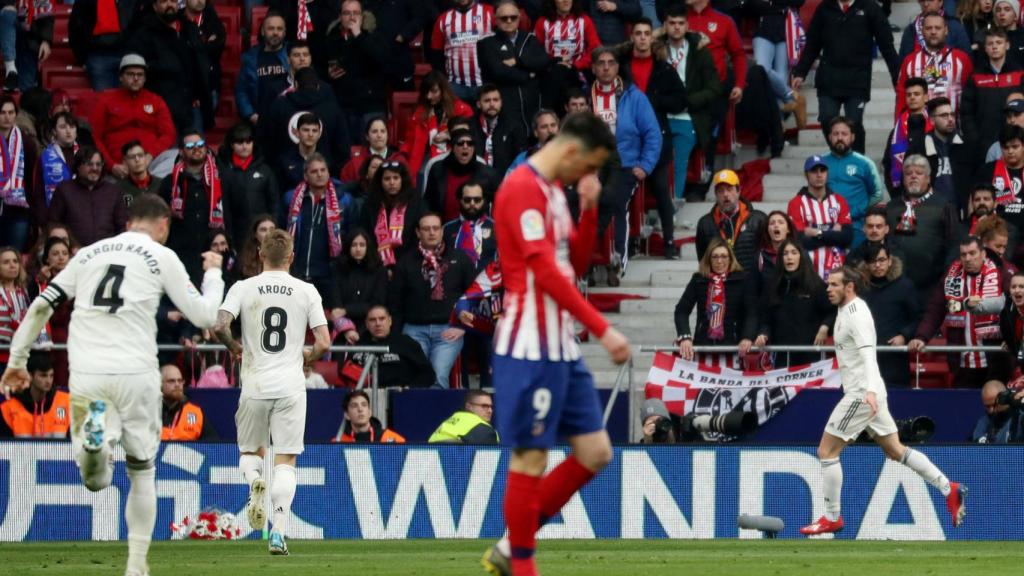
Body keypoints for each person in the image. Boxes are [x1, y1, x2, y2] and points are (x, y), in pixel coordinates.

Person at [0, 193, 225, 575]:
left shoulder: (88, 254)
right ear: (163, 225)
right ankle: (136, 566)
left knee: (93, 480)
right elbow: (205, 316)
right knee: (142, 470)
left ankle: (96, 448)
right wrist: (214, 272)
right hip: (137, 373)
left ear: (127, 223)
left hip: (88, 372)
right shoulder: (162, 256)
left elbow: (41, 306)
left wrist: (17, 361)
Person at [480, 112, 630, 576]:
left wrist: (589, 208)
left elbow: (574, 265)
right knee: (530, 457)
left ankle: (512, 546)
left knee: (596, 452)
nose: (589, 174)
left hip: (560, 344)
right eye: (590, 166)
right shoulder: (521, 189)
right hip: (529, 346)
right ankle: (522, 563)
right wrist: (602, 328)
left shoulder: (554, 193)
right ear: (571, 151)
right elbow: (543, 272)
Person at [800, 266, 965, 536]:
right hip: (870, 391)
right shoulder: (845, 310)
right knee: (895, 451)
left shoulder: (856, 315)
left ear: (849, 287)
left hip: (862, 394)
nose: (828, 289)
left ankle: (831, 517)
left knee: (826, 452)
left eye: (834, 284)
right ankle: (950, 488)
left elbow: (868, 355)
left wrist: (870, 392)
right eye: (828, 284)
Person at [213, 229, 331, 555]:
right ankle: (278, 531)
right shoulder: (306, 290)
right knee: (286, 460)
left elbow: (219, 324)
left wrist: (235, 347)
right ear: (291, 257)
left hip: (255, 384)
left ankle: (255, 483)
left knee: (251, 453)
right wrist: (307, 358)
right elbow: (323, 342)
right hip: (290, 386)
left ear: (260, 254)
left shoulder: (242, 287)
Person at [791, 0, 899, 154]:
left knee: (854, 123)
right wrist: (800, 72)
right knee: (827, 119)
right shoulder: (824, 8)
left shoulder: (870, 8)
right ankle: (839, 156)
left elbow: (886, 45)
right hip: (829, 79)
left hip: (857, 79)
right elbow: (812, 44)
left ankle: (858, 160)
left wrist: (897, 76)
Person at [590, 47, 662, 274]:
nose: (606, 68)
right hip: (592, 166)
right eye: (601, 63)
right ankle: (587, 260)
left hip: (625, 164)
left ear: (618, 67)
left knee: (615, 202)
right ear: (593, 68)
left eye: (611, 63)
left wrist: (645, 165)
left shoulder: (634, 96)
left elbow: (652, 133)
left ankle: (617, 259)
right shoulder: (585, 97)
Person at [622, 18, 688, 260]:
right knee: (624, 193)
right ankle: (629, 243)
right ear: (632, 37)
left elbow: (681, 100)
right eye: (638, 33)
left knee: (661, 190)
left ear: (652, 37)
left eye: (646, 33)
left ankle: (669, 242)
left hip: (657, 136)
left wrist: (654, 101)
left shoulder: (664, 68)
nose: (642, 37)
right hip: (628, 139)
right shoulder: (621, 68)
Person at [910, 236, 1011, 389]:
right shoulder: (951, 275)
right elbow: (935, 309)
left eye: (972, 253)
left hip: (996, 356)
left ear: (983, 253)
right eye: (963, 254)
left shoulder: (1001, 271)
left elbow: (1014, 306)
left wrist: (1012, 337)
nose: (968, 259)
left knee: (994, 400)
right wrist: (921, 337)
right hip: (962, 360)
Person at [388, 212, 475, 388]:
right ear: (418, 232)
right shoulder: (406, 262)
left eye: (436, 228)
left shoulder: (460, 259)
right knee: (415, 378)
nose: (432, 232)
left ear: (442, 231)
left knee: (437, 376)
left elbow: (475, 295)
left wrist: (463, 327)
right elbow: (395, 302)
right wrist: (396, 336)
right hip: (414, 330)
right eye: (426, 229)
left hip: (448, 330)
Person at [662, 4, 724, 202]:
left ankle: (672, 207)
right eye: (672, 23)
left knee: (679, 162)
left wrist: (689, 102)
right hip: (660, 116)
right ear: (665, 26)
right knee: (656, 162)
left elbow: (714, 87)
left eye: (681, 23)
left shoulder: (699, 51)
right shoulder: (657, 49)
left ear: (687, 26)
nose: (676, 27)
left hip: (689, 117)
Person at [126, 0, 212, 134]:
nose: (169, 5)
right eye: (163, 1)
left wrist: (198, 93)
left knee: (195, 146)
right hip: (160, 108)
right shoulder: (143, 33)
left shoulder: (189, 28)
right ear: (155, 6)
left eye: (172, 1)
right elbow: (139, 69)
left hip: (191, 106)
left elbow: (200, 64)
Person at [674, 237, 758, 367]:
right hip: (703, 348)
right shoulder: (698, 279)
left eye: (724, 256)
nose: (719, 261)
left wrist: (747, 337)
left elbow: (752, 313)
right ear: (708, 259)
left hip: (734, 350)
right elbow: (681, 311)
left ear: (730, 258)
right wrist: (685, 337)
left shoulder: (742, 280)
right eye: (715, 257)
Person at [90, 55, 176, 178]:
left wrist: (150, 155)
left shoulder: (156, 100)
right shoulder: (106, 100)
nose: (136, 78)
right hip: (119, 166)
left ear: (145, 78)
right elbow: (94, 136)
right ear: (121, 77)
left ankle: (150, 182)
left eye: (140, 75)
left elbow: (168, 134)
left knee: (177, 156)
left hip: (151, 163)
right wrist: (111, 165)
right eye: (130, 74)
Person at [283, 153, 353, 302]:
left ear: (328, 172)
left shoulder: (344, 200)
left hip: (329, 274)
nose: (319, 174)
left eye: (323, 170)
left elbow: (350, 233)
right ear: (306, 176)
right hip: (298, 271)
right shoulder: (292, 199)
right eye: (314, 171)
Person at [886, 154, 960, 296]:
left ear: (928, 178)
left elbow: (954, 244)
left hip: (931, 285)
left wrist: (946, 277)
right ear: (903, 178)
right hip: (895, 284)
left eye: (919, 173)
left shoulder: (944, 205)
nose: (913, 176)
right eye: (908, 173)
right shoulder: (891, 207)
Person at [755, 239, 834, 368]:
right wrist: (763, 334)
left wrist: (825, 327)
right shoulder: (772, 285)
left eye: (793, 252)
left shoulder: (815, 284)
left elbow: (832, 311)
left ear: (801, 256)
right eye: (785, 253)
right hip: (781, 354)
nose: (789, 257)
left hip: (810, 353)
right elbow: (765, 319)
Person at [160, 130, 226, 287]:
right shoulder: (169, 182)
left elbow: (237, 213)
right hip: (182, 255)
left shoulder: (223, 178)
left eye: (200, 144)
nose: (196, 148)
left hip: (215, 252)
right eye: (190, 146)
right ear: (181, 151)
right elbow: (161, 219)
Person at [477, 0, 550, 136]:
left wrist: (518, 61)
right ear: (496, 20)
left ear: (519, 18)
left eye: (513, 17)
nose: (509, 21)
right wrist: (529, 75)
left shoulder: (529, 38)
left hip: (532, 104)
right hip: (505, 106)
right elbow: (497, 72)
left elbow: (543, 61)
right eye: (504, 18)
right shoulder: (486, 43)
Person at [322, 0, 390, 138]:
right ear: (340, 16)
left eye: (356, 13)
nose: (352, 17)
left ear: (362, 16)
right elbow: (321, 67)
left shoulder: (374, 35)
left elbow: (381, 59)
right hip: (343, 105)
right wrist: (328, 74)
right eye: (347, 13)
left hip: (371, 105)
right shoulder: (331, 38)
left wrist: (359, 35)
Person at [858, 243, 920, 389]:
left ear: (890, 260)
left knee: (897, 401)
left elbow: (919, 317)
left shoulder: (905, 286)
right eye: (872, 261)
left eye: (881, 260)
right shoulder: (859, 288)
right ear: (866, 264)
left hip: (894, 360)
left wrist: (904, 335)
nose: (877, 265)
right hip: (864, 360)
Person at [961, 28, 1024, 165]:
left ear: (1007, 45)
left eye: (999, 42)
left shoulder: (1020, 74)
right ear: (985, 48)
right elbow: (966, 113)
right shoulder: (975, 77)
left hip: (1015, 141)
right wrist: (975, 138)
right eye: (990, 43)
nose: (994, 46)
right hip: (983, 143)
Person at [821, 117, 885, 246]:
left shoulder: (865, 163)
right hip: (826, 226)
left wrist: (854, 212)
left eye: (844, 134)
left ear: (852, 137)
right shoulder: (820, 163)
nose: (840, 137)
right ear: (829, 137)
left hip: (856, 227)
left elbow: (878, 194)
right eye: (836, 134)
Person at [402, 71, 474, 184]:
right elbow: (409, 142)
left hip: (455, 156)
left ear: (443, 90)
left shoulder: (462, 109)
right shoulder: (419, 112)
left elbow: (471, 135)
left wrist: (450, 134)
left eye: (434, 91)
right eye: (426, 92)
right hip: (426, 158)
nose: (429, 96)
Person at [788, 155, 853, 281]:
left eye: (822, 170)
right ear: (806, 174)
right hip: (808, 273)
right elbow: (800, 241)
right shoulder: (796, 203)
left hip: (837, 272)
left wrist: (817, 233)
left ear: (827, 173)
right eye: (814, 171)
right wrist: (833, 233)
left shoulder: (839, 201)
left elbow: (847, 237)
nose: (819, 175)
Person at [895, 11, 972, 116]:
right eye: (928, 28)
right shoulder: (910, 61)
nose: (933, 32)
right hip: (920, 124)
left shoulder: (961, 59)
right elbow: (901, 97)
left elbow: (970, 97)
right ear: (922, 31)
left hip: (953, 123)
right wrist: (899, 123)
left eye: (938, 28)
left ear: (946, 30)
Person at [48, 147, 128, 247]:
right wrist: (69, 247)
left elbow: (122, 226)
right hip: (75, 252)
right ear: (78, 166)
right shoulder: (64, 190)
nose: (95, 168)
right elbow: (54, 224)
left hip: (107, 251)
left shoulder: (113, 192)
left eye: (98, 164)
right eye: (89, 164)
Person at [218, 122, 280, 249]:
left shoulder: (265, 170)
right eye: (240, 142)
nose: (244, 146)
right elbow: (225, 206)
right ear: (232, 145)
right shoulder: (224, 171)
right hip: (237, 233)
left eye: (248, 142)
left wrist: (273, 227)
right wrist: (228, 234)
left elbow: (274, 202)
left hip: (263, 232)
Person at [344, 304, 435, 388]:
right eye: (372, 320)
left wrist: (409, 388)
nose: (378, 324)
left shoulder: (406, 343)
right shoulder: (359, 344)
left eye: (382, 319)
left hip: (399, 394)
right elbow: (345, 372)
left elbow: (428, 374)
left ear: (390, 321)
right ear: (366, 324)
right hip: (364, 395)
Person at [695, 169, 768, 273]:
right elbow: (703, 260)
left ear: (738, 191)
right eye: (721, 191)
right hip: (720, 281)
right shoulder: (705, 223)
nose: (725, 194)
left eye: (729, 189)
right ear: (716, 194)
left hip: (749, 280)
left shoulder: (758, 219)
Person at [533, 0, 601, 112]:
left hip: (578, 70)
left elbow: (595, 49)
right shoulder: (542, 22)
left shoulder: (584, 20)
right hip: (551, 72)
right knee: (557, 73)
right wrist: (555, 62)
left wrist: (576, 64)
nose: (566, 1)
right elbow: (536, 51)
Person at [423, 126, 500, 223]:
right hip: (444, 228)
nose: (465, 146)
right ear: (453, 147)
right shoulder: (438, 169)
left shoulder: (488, 174)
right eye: (460, 143)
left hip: (477, 229)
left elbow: (501, 205)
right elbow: (427, 203)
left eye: (470, 143)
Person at [361, 160, 425, 272]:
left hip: (409, 263)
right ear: (380, 181)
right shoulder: (370, 204)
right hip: (377, 265)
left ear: (402, 180)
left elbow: (419, 234)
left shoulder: (415, 202)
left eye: (396, 178)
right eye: (387, 179)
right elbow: (366, 234)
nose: (392, 182)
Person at [748, 0, 806, 121]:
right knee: (761, 68)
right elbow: (751, 5)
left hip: (788, 32)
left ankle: (779, 127)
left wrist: (770, 4)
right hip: (763, 31)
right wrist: (780, 8)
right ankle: (792, 97)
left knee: (781, 77)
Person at [68, 0, 144, 91]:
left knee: (128, 99)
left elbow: (139, 26)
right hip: (98, 56)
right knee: (105, 97)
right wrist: (82, 58)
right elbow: (76, 26)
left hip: (128, 55)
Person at [429, 0, 495, 103]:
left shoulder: (490, 12)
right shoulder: (443, 19)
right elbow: (436, 54)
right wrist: (445, 81)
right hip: (455, 86)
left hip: (486, 84)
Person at [236, 11, 290, 125]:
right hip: (259, 119)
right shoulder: (250, 58)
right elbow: (241, 91)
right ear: (262, 31)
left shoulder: (293, 54)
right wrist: (250, 114)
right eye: (271, 28)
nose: (275, 33)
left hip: (288, 118)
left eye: (279, 29)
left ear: (285, 32)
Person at [0, 352, 69, 438]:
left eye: (51, 376)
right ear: (30, 376)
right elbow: (4, 443)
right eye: (43, 376)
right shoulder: (10, 406)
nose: (48, 381)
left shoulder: (64, 401)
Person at [918, 97, 970, 210]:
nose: (950, 119)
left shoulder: (964, 146)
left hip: (958, 210)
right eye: (944, 115)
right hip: (930, 209)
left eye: (952, 114)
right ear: (932, 120)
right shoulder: (920, 148)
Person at [331, 228, 387, 331]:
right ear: (348, 247)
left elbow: (377, 303)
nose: (358, 249)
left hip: (372, 326)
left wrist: (347, 310)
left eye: (362, 245)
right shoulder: (338, 269)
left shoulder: (379, 271)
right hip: (343, 326)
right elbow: (336, 305)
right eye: (354, 245)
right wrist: (347, 329)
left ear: (368, 246)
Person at [0, 95, 36, 250]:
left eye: (11, 112)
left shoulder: (26, 143)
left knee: (14, 257)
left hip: (17, 211)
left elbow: (28, 179)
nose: (7, 117)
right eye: (2, 113)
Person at [884, 77, 930, 198]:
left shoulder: (934, 125)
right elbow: (887, 163)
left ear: (926, 97)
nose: (912, 97)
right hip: (901, 195)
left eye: (916, 94)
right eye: (909, 95)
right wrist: (895, 194)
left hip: (932, 195)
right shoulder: (896, 132)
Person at [470, 84, 527, 178]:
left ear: (501, 102)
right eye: (487, 100)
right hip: (476, 179)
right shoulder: (470, 125)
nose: (492, 104)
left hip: (505, 179)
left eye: (495, 100)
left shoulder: (513, 126)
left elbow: (520, 157)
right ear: (479, 104)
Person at [33, 112, 80, 224]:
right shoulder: (45, 157)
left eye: (72, 127)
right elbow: (38, 192)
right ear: (54, 131)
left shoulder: (85, 155)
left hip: (82, 217)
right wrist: (42, 221)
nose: (68, 131)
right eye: (63, 127)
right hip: (54, 217)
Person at [443, 180, 497, 272]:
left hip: (486, 279)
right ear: (460, 200)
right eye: (467, 200)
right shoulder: (447, 229)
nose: (472, 203)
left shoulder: (496, 228)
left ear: (484, 200)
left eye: (477, 200)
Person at [339, 116, 405, 185]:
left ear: (387, 135)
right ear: (367, 136)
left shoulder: (399, 160)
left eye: (383, 131)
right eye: (374, 131)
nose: (379, 135)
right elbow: (345, 186)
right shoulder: (356, 161)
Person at [898, 0, 971, 60]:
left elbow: (967, 60)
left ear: (941, 2)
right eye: (922, 0)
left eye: (931, 0)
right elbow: (903, 63)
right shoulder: (911, 30)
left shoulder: (955, 27)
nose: (926, 4)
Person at [159, 364, 215, 441]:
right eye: (171, 381)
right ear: (159, 384)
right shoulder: (148, 412)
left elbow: (213, 445)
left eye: (180, 381)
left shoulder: (196, 413)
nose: (177, 384)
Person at [429, 389, 499, 443]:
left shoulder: (454, 417)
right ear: (469, 406)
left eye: (491, 407)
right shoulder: (485, 430)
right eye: (484, 406)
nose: (490, 411)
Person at [979, 125, 1024, 208]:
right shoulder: (988, 170)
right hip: (997, 216)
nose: (1010, 151)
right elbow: (976, 201)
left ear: (1023, 146)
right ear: (1000, 147)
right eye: (1006, 147)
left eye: (1015, 147)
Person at [336, 389, 406, 442]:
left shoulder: (391, 439)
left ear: (369, 412)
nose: (360, 409)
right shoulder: (338, 443)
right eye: (354, 406)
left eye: (364, 405)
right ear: (347, 415)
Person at [508, 109, 560, 175]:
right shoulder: (523, 158)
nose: (550, 130)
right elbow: (508, 180)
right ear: (536, 132)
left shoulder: (570, 154)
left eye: (553, 125)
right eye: (544, 127)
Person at [115, 141, 163, 206]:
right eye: (132, 157)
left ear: (146, 158)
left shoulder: (161, 184)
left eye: (140, 155)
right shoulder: (118, 189)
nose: (137, 160)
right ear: (125, 162)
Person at [756, 210, 797, 281]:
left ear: (788, 229)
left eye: (781, 222)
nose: (776, 225)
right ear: (767, 230)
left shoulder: (800, 253)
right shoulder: (760, 257)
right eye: (772, 223)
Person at [238, 215, 277, 280]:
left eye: (272, 230)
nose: (268, 234)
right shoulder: (244, 258)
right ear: (255, 234)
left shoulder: (285, 255)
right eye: (263, 230)